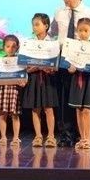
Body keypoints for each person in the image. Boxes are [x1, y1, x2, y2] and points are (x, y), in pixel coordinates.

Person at [48, 0, 90, 147]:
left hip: (84, 67)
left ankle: (83, 137)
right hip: (65, 63)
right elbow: (52, 34)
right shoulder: (59, 12)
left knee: (82, 105)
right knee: (65, 100)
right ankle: (65, 135)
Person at [22, 12, 58, 148]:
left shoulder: (53, 44)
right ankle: (38, 136)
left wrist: (50, 68)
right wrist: (35, 67)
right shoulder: (29, 44)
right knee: (35, 108)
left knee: (48, 108)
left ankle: (51, 136)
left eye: (37, 24)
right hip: (34, 78)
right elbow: (26, 66)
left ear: (46, 26)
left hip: (48, 79)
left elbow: (54, 66)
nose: (34, 27)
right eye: (33, 25)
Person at [66, 18, 90, 150]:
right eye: (80, 30)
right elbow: (68, 65)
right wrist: (70, 68)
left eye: (86, 30)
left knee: (87, 110)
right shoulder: (73, 46)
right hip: (77, 79)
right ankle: (82, 138)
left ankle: (88, 139)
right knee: (79, 110)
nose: (83, 33)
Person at [0, 34, 26, 147]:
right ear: (3, 47)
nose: (10, 49)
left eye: (13, 46)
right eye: (8, 46)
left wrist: (23, 82)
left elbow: (24, 78)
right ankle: (3, 137)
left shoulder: (20, 62)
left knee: (15, 115)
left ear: (18, 47)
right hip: (2, 90)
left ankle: (16, 137)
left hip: (14, 90)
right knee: (2, 114)